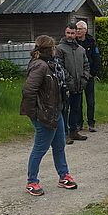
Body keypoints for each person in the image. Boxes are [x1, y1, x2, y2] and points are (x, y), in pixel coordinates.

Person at [19, 35, 78, 194]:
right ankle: (32, 181)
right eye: (53, 48)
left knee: (59, 146)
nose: (55, 50)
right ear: (48, 49)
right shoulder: (40, 66)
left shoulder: (52, 64)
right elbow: (28, 91)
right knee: (40, 148)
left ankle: (64, 176)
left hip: (55, 111)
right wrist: (34, 114)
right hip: (44, 114)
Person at [56, 22, 91, 144]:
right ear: (65, 33)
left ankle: (74, 131)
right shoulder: (60, 48)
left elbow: (86, 65)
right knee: (65, 110)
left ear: (76, 33)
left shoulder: (81, 49)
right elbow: (59, 66)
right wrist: (68, 80)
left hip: (79, 85)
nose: (70, 35)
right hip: (66, 86)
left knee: (76, 109)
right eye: (68, 33)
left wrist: (85, 78)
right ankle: (64, 134)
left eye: (72, 33)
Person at [75, 20, 101, 131]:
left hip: (89, 76)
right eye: (77, 29)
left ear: (85, 30)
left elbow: (97, 59)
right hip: (77, 76)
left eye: (80, 29)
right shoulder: (73, 42)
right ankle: (78, 123)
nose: (78, 31)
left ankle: (91, 123)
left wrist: (92, 73)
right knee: (78, 101)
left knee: (90, 101)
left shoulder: (91, 42)